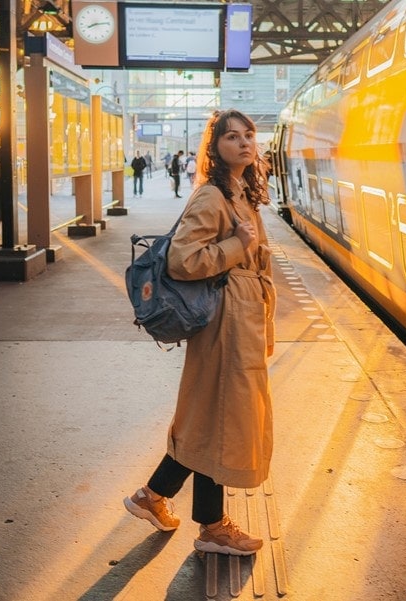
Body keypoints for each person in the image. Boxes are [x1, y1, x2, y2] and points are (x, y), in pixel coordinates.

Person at [123, 109, 276, 556]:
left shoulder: (240, 193)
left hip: (240, 320)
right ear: (215, 147)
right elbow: (182, 261)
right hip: (226, 323)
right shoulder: (212, 196)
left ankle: (152, 497)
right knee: (220, 420)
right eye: (232, 136)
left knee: (212, 418)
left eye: (249, 135)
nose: (245, 143)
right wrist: (237, 246)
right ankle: (211, 526)